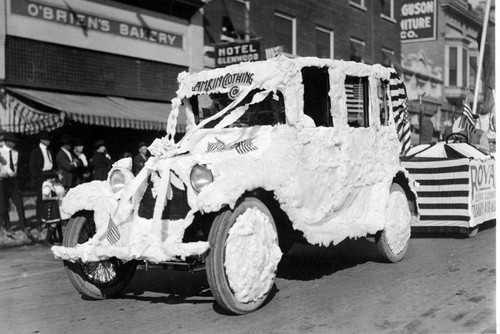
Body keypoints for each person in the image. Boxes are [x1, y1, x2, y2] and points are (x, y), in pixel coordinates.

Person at [0, 133, 33, 240]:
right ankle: (6, 226)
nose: (14, 143)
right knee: (4, 205)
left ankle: (24, 226)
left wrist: (14, 174)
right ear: (7, 142)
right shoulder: (0, 151)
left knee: (19, 202)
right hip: (2, 180)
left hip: (13, 181)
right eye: (12, 141)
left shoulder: (15, 153)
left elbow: (15, 166)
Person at [29, 130, 54, 230]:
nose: (49, 141)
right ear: (42, 140)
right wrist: (38, 177)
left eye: (49, 139)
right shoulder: (36, 151)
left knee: (50, 199)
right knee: (40, 200)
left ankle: (47, 220)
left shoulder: (49, 151)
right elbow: (32, 167)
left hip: (49, 175)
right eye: (46, 139)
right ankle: (39, 222)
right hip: (41, 177)